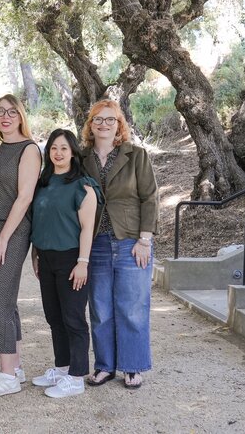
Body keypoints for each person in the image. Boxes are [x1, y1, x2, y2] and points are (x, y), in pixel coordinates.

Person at [81, 99, 159, 390]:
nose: (103, 124)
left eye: (110, 119)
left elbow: (149, 198)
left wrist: (144, 240)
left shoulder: (136, 156)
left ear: (119, 125)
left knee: (132, 306)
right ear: (91, 124)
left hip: (130, 241)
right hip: (95, 242)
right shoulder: (82, 158)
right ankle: (104, 365)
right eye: (98, 119)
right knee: (100, 307)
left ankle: (132, 366)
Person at [29, 129, 101, 398]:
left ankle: (76, 377)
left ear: (73, 152)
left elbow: (86, 228)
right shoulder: (44, 182)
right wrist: (36, 255)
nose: (58, 153)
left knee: (73, 318)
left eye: (64, 148)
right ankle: (61, 368)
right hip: (46, 258)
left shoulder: (83, 185)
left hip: (72, 258)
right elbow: (41, 220)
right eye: (54, 148)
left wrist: (82, 263)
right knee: (54, 317)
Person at [0, 94, 41, 398]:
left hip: (12, 231)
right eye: (0, 111)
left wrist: (3, 237)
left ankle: (7, 377)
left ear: (20, 116)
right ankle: (14, 367)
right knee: (7, 300)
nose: (5, 117)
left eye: (11, 112)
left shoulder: (28, 150)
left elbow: (25, 197)